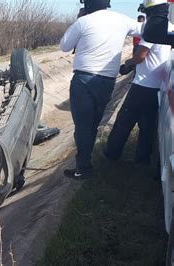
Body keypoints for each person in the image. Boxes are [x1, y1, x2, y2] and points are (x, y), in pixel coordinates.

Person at [59, 0, 142, 179]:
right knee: (93, 124)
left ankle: (83, 168)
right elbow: (145, 30)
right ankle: (85, 162)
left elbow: (64, 46)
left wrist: (79, 19)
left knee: (82, 127)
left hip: (84, 80)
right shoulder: (122, 20)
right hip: (107, 82)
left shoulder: (84, 21)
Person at [104, 12, 173, 164]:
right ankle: (142, 159)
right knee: (147, 124)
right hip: (158, 86)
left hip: (142, 85)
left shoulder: (153, 29)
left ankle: (111, 154)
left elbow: (141, 55)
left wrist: (128, 64)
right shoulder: (170, 29)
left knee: (124, 120)